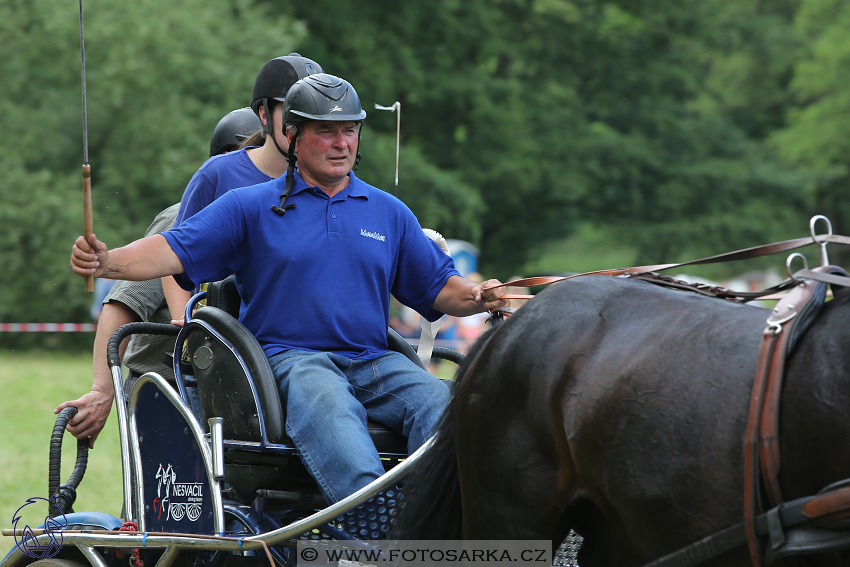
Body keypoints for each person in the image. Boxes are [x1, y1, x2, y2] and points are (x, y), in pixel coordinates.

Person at [70, 73, 510, 504]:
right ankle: (374, 523)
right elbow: (171, 249)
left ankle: (445, 517)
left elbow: (439, 288)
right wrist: (108, 261)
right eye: (326, 132)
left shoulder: (389, 213)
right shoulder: (250, 206)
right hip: (291, 361)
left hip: (374, 361)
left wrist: (476, 295)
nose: (341, 143)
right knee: (329, 405)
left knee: (439, 402)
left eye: (349, 131)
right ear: (293, 137)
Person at [55, 107, 263, 448]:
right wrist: (102, 391)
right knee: (162, 499)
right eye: (242, 158)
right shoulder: (182, 220)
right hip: (165, 386)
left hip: (231, 393)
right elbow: (122, 308)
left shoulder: (272, 218)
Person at [162, 53, 324, 323]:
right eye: (291, 112)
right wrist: (185, 321)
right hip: (228, 331)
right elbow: (175, 255)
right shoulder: (218, 174)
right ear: (264, 114)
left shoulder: (329, 181)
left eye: (312, 115)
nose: (301, 125)